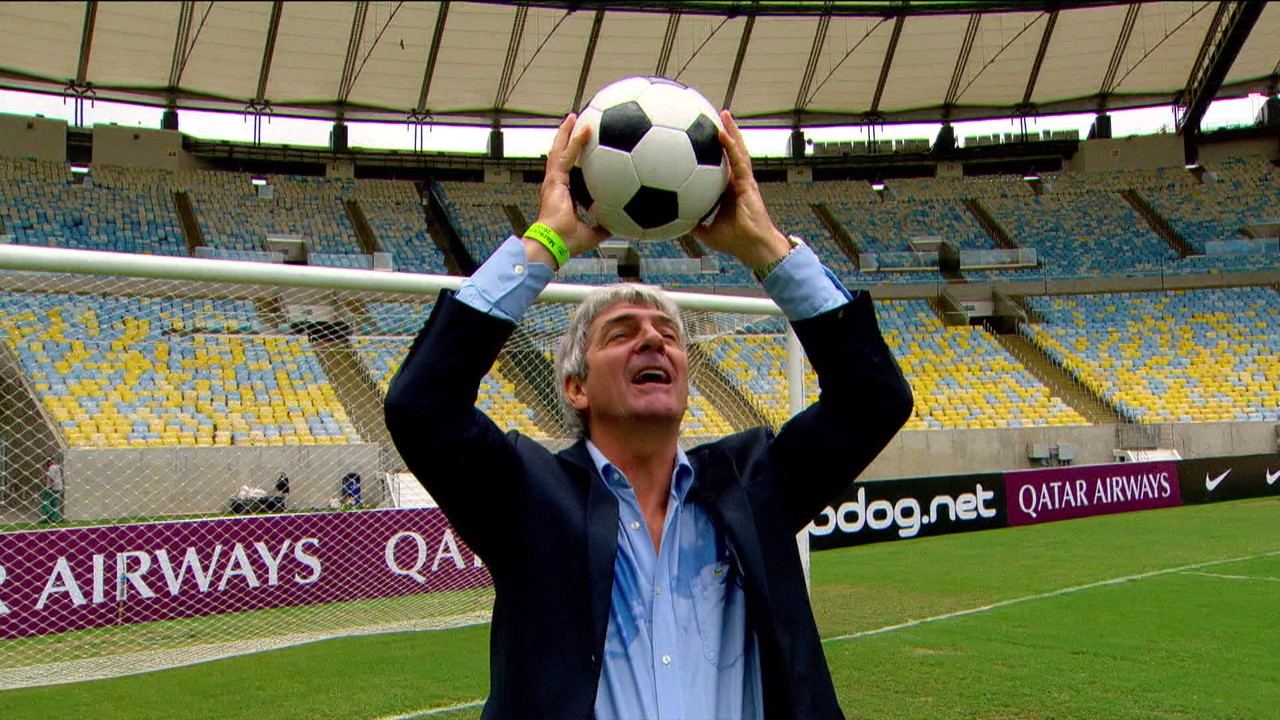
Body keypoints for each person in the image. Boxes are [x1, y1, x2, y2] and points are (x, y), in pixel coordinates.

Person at [384, 111, 913, 719]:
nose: (654, 341)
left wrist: (765, 246)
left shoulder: (754, 484)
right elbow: (421, 407)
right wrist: (547, 241)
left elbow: (875, 399)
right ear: (576, 387)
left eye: (669, 333)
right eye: (621, 333)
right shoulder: (530, 498)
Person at [41, 459, 63, 523]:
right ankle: (54, 518)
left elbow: (52, 478)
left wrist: (50, 486)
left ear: (50, 462)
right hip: (58, 487)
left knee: (45, 500)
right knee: (54, 502)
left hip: (53, 487)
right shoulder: (57, 467)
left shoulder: (52, 467)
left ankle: (48, 515)